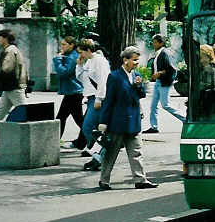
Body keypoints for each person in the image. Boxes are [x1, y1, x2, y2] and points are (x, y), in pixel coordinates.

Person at [96, 46, 157, 190]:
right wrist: (103, 122)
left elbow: (141, 95)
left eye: (137, 60)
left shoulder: (136, 75)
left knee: (136, 151)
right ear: (125, 60)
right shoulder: (115, 77)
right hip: (118, 121)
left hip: (133, 120)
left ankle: (140, 179)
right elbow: (109, 100)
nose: (136, 63)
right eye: (134, 60)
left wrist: (138, 86)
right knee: (111, 153)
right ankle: (104, 180)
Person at [75, 38, 110, 168]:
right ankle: (99, 151)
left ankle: (99, 150)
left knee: (88, 127)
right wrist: (79, 65)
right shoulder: (89, 61)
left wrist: (99, 98)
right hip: (90, 97)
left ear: (88, 50)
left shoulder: (99, 61)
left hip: (96, 98)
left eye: (81, 52)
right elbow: (81, 79)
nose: (80, 55)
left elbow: (103, 80)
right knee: (94, 128)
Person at [143, 34, 185, 134]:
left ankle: (185, 119)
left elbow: (172, 69)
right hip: (159, 82)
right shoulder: (158, 53)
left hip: (164, 83)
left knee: (165, 105)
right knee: (153, 106)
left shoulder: (165, 53)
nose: (153, 44)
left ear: (161, 43)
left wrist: (160, 73)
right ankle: (154, 127)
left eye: (155, 42)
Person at [53, 36, 86, 147]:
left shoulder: (72, 57)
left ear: (71, 45)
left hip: (74, 92)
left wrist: (57, 60)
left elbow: (65, 72)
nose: (62, 47)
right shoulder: (70, 56)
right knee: (65, 117)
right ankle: (55, 141)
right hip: (72, 91)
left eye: (64, 44)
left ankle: (94, 139)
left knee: (72, 118)